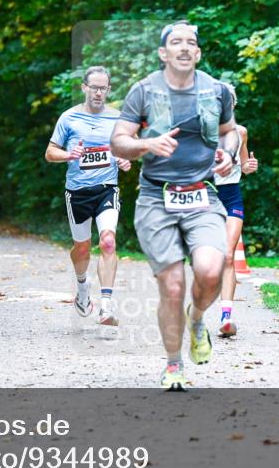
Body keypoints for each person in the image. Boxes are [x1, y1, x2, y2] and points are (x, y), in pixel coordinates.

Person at [110, 21, 239, 390]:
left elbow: (231, 131)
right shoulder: (144, 91)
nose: (184, 48)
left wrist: (228, 155)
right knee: (173, 285)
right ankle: (173, 366)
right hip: (156, 196)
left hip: (202, 193)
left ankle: (196, 320)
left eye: (191, 43)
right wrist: (146, 146)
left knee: (212, 270)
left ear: (197, 53)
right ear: (163, 53)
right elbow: (119, 141)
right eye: (176, 43)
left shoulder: (216, 90)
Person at [46, 66, 131, 326]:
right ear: (84, 87)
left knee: (107, 241)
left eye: (103, 88)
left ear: (108, 89)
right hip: (77, 192)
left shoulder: (118, 118)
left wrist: (125, 158)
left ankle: (106, 306)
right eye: (93, 87)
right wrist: (68, 155)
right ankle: (82, 286)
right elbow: (50, 153)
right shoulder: (69, 118)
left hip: (107, 188)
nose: (98, 92)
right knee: (82, 248)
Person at [213, 109, 259, 337]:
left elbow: (244, 166)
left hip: (231, 197)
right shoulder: (201, 133)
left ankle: (226, 317)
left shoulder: (240, 132)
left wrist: (248, 166)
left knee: (229, 255)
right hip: (207, 198)